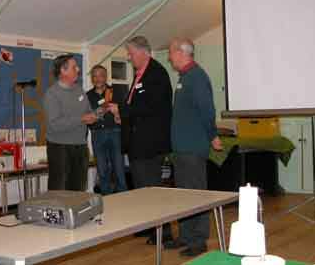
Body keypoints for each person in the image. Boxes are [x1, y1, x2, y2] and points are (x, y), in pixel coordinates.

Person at [107, 35, 173, 244]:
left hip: (150, 143)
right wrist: (121, 115)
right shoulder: (140, 74)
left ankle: (164, 232)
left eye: (131, 53)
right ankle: (150, 227)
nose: (129, 57)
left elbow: (151, 108)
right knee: (143, 190)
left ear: (144, 52)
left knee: (152, 189)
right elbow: (137, 107)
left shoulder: (157, 74)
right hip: (138, 143)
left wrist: (122, 109)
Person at [165, 38, 222, 257]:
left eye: (171, 53)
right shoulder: (185, 77)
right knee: (184, 196)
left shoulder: (197, 77)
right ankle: (186, 236)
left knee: (196, 194)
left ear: (181, 53)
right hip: (181, 149)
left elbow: (207, 110)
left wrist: (213, 136)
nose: (170, 57)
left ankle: (198, 240)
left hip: (192, 148)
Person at [44, 54, 97, 191]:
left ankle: (74, 213)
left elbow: (88, 112)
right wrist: (82, 119)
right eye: (74, 67)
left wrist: (96, 115)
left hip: (80, 146)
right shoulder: (52, 94)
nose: (78, 69)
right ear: (63, 70)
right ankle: (59, 213)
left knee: (78, 188)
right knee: (60, 189)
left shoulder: (79, 90)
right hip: (60, 148)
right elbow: (55, 124)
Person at [86, 64, 127, 195]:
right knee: (102, 170)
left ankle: (124, 198)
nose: (98, 79)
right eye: (95, 76)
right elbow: (86, 118)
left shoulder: (116, 92)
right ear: (92, 78)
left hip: (115, 133)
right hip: (97, 134)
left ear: (106, 77)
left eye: (101, 76)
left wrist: (118, 114)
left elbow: (126, 112)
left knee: (119, 168)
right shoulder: (87, 96)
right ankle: (107, 200)